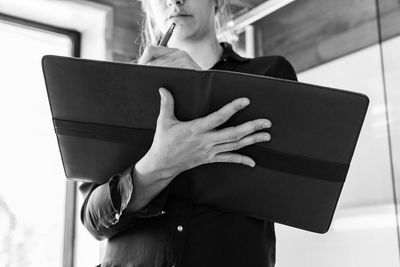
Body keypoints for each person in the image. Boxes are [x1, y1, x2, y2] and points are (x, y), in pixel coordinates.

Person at [79, 0, 297, 266]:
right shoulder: (117, 91)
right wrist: (157, 166)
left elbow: (286, 191)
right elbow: (94, 221)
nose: (175, 0)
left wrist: (202, 89)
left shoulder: (270, 74)